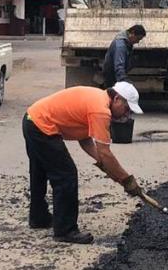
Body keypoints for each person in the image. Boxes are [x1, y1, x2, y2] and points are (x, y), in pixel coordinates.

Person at [23, 82, 144, 244]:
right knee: (66, 175)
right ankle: (65, 230)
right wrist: (127, 180)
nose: (126, 114)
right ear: (116, 99)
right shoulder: (101, 111)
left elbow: (85, 140)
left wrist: (104, 165)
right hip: (42, 126)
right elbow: (105, 152)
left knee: (40, 171)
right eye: (127, 108)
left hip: (31, 119)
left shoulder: (97, 98)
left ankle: (38, 217)